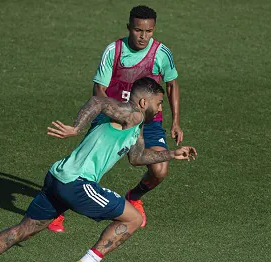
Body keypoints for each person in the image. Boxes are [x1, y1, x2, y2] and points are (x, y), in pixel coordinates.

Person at [0, 77, 196, 262]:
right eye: (159, 103)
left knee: (23, 229)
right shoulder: (132, 114)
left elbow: (137, 158)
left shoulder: (136, 126)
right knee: (132, 218)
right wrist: (76, 128)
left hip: (57, 178)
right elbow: (98, 102)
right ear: (144, 102)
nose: (161, 108)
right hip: (77, 183)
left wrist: (172, 154)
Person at [48, 5, 181, 233]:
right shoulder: (114, 51)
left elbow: (172, 84)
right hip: (112, 118)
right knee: (85, 168)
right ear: (129, 27)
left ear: (154, 29)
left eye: (148, 32)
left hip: (148, 122)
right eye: (138, 30)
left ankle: (135, 196)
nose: (143, 36)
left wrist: (176, 120)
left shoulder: (161, 53)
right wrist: (117, 114)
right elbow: (99, 90)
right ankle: (55, 210)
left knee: (160, 170)